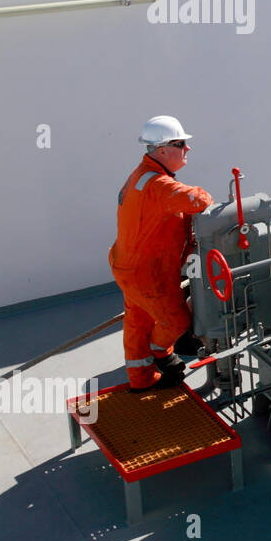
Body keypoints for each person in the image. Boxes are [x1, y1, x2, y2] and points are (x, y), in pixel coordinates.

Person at [109, 116, 214, 392]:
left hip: (126, 267)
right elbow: (198, 200)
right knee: (176, 319)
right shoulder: (157, 185)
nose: (187, 150)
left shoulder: (141, 176)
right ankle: (160, 351)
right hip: (146, 274)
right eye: (181, 144)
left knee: (137, 322)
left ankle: (141, 379)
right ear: (162, 150)